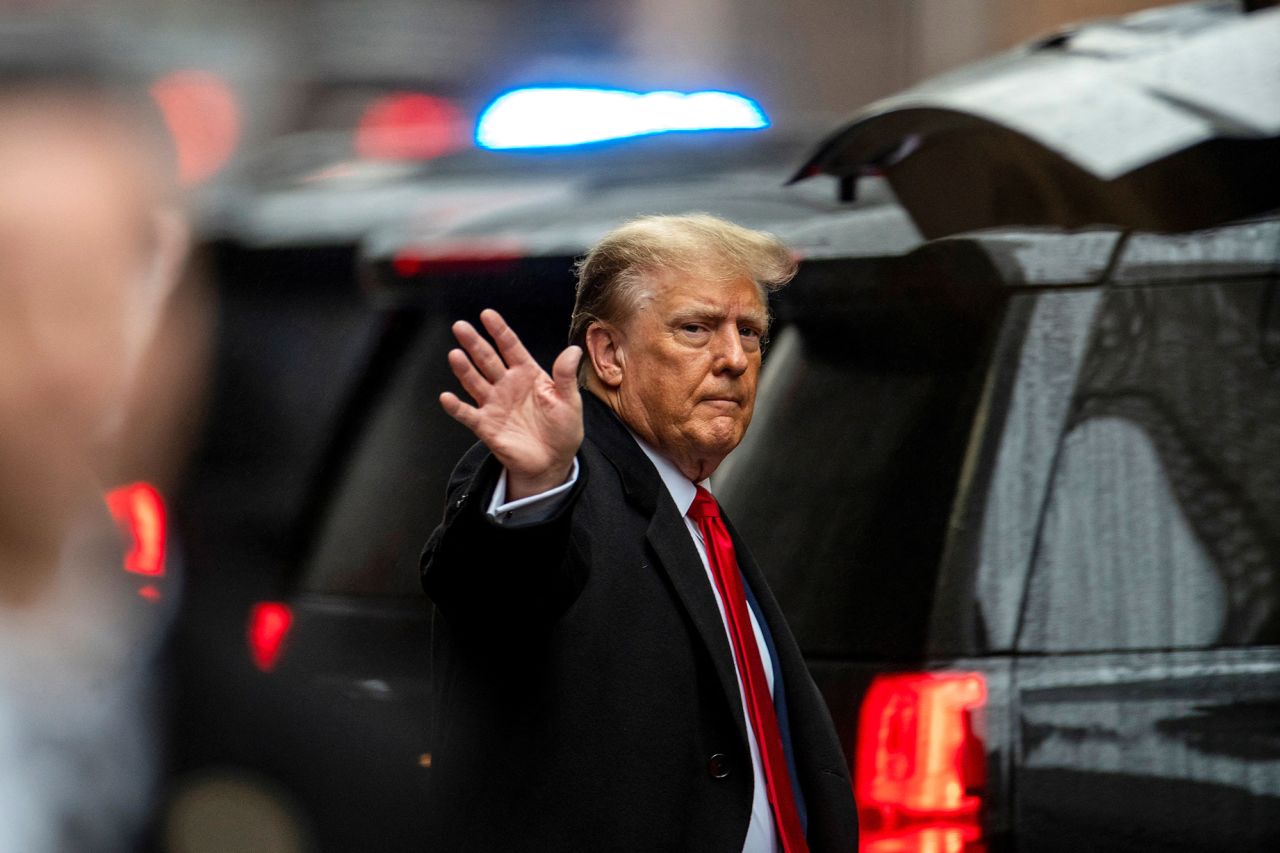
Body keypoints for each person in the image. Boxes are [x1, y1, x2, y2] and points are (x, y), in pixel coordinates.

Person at [421, 214, 858, 851]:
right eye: (696, 329)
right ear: (609, 354)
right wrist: (538, 485)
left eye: (751, 333)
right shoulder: (559, 483)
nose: (734, 359)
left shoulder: (700, 514)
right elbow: (494, 597)